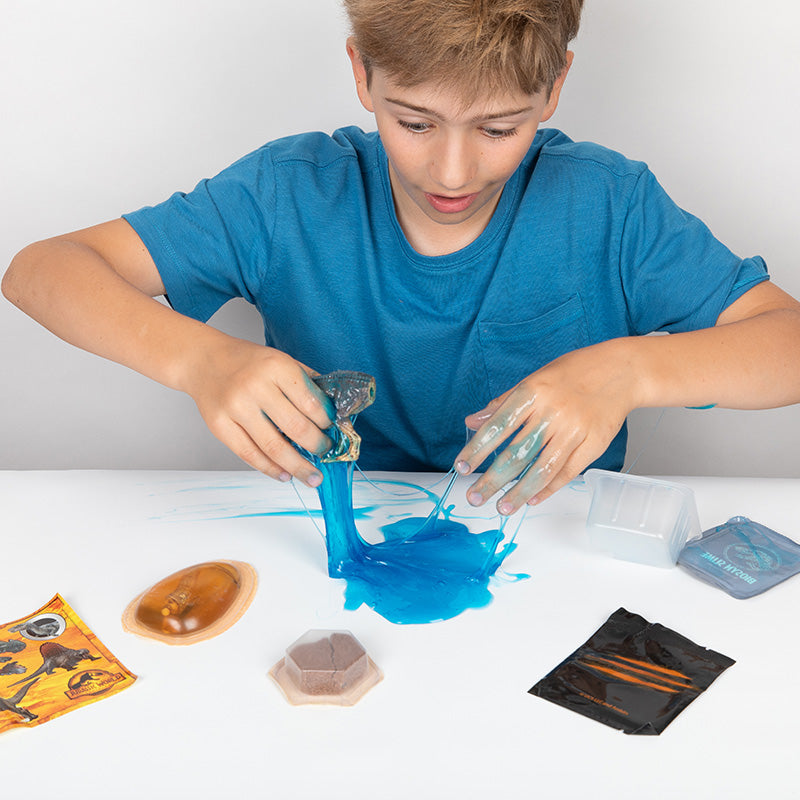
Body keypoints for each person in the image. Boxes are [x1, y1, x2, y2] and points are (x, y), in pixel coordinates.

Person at [3, 0, 800, 518]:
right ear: (362, 72)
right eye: (415, 123)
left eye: (499, 129)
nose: (452, 173)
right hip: (331, 545)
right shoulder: (288, 192)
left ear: (555, 86)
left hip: (547, 554)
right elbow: (41, 271)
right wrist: (201, 360)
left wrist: (628, 371)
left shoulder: (609, 205)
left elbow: (787, 345)